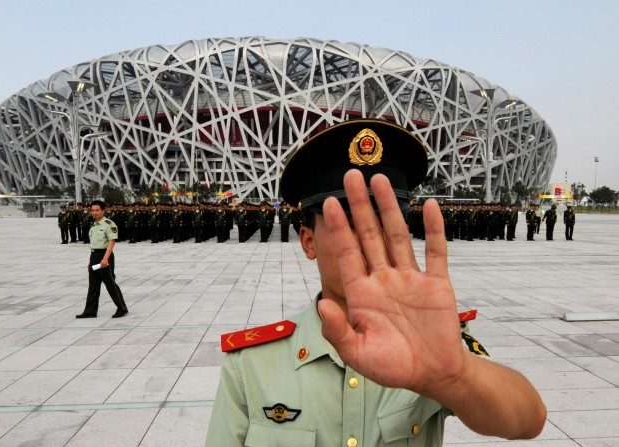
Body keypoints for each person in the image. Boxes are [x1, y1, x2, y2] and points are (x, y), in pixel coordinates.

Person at [206, 120, 546, 446]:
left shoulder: (429, 339)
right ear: (308, 241)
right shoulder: (252, 364)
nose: (371, 240)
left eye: (386, 219)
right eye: (348, 223)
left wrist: (456, 377)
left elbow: (528, 420)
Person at [76, 200, 128, 319]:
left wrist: (105, 259)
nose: (94, 212)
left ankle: (122, 308)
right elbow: (94, 245)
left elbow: (112, 241)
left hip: (105, 256)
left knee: (110, 284)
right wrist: (91, 262)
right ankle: (90, 311)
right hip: (94, 256)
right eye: (92, 210)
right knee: (93, 285)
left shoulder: (109, 224)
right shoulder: (93, 225)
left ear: (103, 210)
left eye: (97, 210)